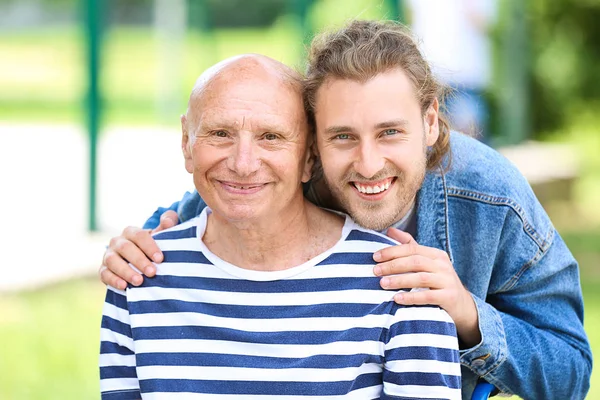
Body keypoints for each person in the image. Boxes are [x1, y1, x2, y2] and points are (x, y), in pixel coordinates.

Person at [100, 20, 592, 399]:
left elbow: (570, 373)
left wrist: (467, 313)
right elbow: (226, 192)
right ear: (310, 146)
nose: (369, 163)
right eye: (342, 137)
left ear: (432, 123)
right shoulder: (286, 177)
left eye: (390, 132)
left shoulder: (489, 196)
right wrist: (140, 244)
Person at [99, 54, 461, 399]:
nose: (243, 164)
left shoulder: (402, 286)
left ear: (309, 158)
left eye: (270, 137)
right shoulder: (137, 279)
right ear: (186, 143)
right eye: (220, 133)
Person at [406, 0, 496, 138]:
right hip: (428, 73)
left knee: (469, 138)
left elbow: (484, 23)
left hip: (465, 76)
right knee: (430, 140)